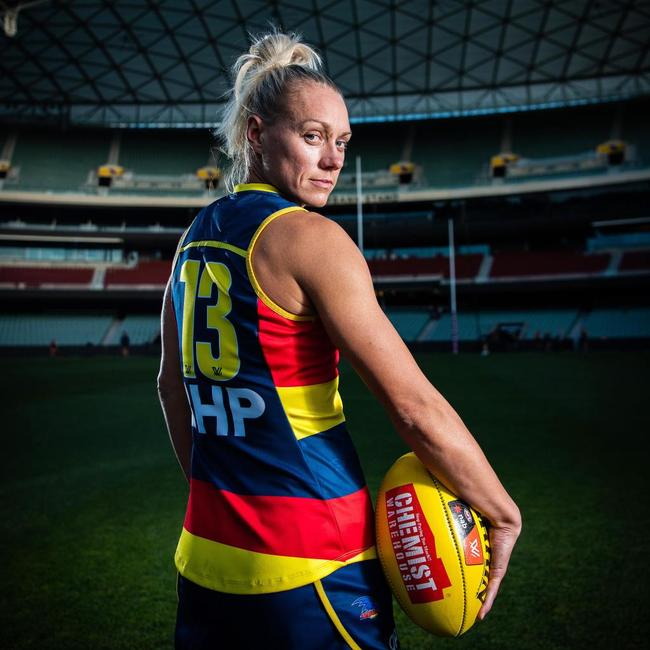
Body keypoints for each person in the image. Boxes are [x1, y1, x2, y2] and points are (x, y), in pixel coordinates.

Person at [157, 31, 521, 650]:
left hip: (207, 562)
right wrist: (502, 512)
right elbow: (413, 408)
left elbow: (171, 387)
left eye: (342, 142)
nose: (333, 160)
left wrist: (233, 501)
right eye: (312, 136)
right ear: (255, 134)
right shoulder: (311, 239)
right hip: (314, 566)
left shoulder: (194, 237)